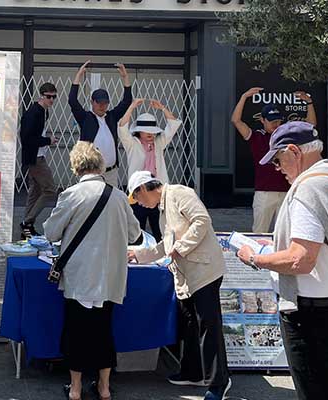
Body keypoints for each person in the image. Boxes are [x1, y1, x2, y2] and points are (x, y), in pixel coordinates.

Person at [236, 121, 328, 400]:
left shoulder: (307, 190)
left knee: (313, 390)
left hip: (307, 311)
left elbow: (300, 260)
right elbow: (317, 242)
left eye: (278, 161)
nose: (278, 169)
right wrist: (278, 247)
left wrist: (255, 258)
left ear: (294, 151)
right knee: (326, 386)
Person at [43, 141, 142, 400]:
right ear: (101, 166)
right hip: (109, 276)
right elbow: (135, 234)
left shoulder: (72, 194)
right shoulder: (118, 197)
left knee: (75, 331)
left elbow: (51, 232)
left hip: (79, 276)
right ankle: (104, 386)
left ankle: (75, 388)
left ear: (76, 167)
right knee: (103, 331)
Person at [127, 171, 231, 400]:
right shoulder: (164, 209)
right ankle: (193, 372)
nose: (140, 204)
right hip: (188, 275)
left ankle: (219, 382)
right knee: (190, 323)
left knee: (208, 325)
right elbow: (166, 245)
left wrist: (181, 248)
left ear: (144, 189)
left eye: (138, 197)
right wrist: (139, 255)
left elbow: (202, 220)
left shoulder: (179, 193)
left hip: (204, 270)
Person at [231, 88, 317, 233]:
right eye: (271, 121)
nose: (276, 124)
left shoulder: (286, 135)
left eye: (278, 120)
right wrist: (244, 96)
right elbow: (236, 120)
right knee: (259, 232)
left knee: (285, 232)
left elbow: (310, 127)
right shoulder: (257, 136)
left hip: (286, 191)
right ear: (262, 120)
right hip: (264, 192)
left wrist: (309, 102)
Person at [118, 98, 182, 242]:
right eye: (146, 131)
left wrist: (162, 108)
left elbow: (173, 125)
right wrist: (132, 107)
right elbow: (122, 128)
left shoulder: (159, 142)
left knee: (161, 231)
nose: (150, 134)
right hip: (138, 193)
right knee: (136, 233)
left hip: (157, 192)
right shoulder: (132, 144)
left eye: (152, 131)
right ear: (138, 131)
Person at [68, 60, 132, 187]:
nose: (102, 106)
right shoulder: (85, 118)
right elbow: (72, 101)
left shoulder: (111, 117)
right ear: (92, 102)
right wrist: (79, 75)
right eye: (99, 103)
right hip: (91, 172)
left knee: (111, 198)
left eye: (105, 103)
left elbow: (126, 101)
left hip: (111, 172)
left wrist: (125, 77)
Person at [19, 82, 60, 239]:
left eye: (54, 97)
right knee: (50, 190)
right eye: (49, 97)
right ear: (41, 96)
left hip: (37, 156)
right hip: (35, 158)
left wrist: (46, 141)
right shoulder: (33, 113)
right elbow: (27, 138)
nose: (52, 100)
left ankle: (26, 227)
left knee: (35, 192)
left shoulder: (43, 112)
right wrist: (47, 141)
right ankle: (27, 222)